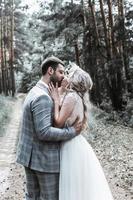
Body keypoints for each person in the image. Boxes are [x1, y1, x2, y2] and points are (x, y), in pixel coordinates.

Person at [16, 56, 82, 200]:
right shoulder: (42, 97)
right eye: (60, 72)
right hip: (44, 160)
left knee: (32, 197)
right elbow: (44, 132)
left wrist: (58, 96)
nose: (63, 77)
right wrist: (71, 131)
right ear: (50, 71)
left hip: (31, 157)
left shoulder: (35, 90)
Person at [49, 62, 114, 200]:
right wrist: (60, 94)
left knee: (72, 187)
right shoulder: (78, 97)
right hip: (78, 144)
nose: (66, 76)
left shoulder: (72, 97)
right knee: (80, 187)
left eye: (69, 75)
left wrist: (55, 100)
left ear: (75, 80)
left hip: (70, 146)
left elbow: (58, 123)